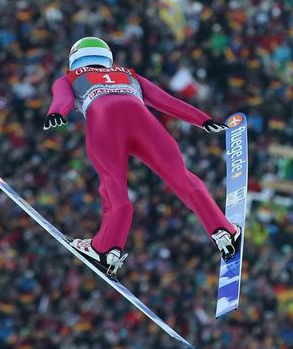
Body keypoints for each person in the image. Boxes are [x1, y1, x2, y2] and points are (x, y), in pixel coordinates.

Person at [43, 36, 241, 276]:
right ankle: (222, 230)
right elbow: (164, 101)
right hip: (143, 122)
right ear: (107, 58)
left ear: (74, 58)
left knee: (114, 185)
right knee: (181, 177)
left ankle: (107, 249)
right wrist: (203, 120)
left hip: (105, 124)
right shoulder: (128, 74)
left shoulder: (69, 77)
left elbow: (61, 99)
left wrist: (57, 113)